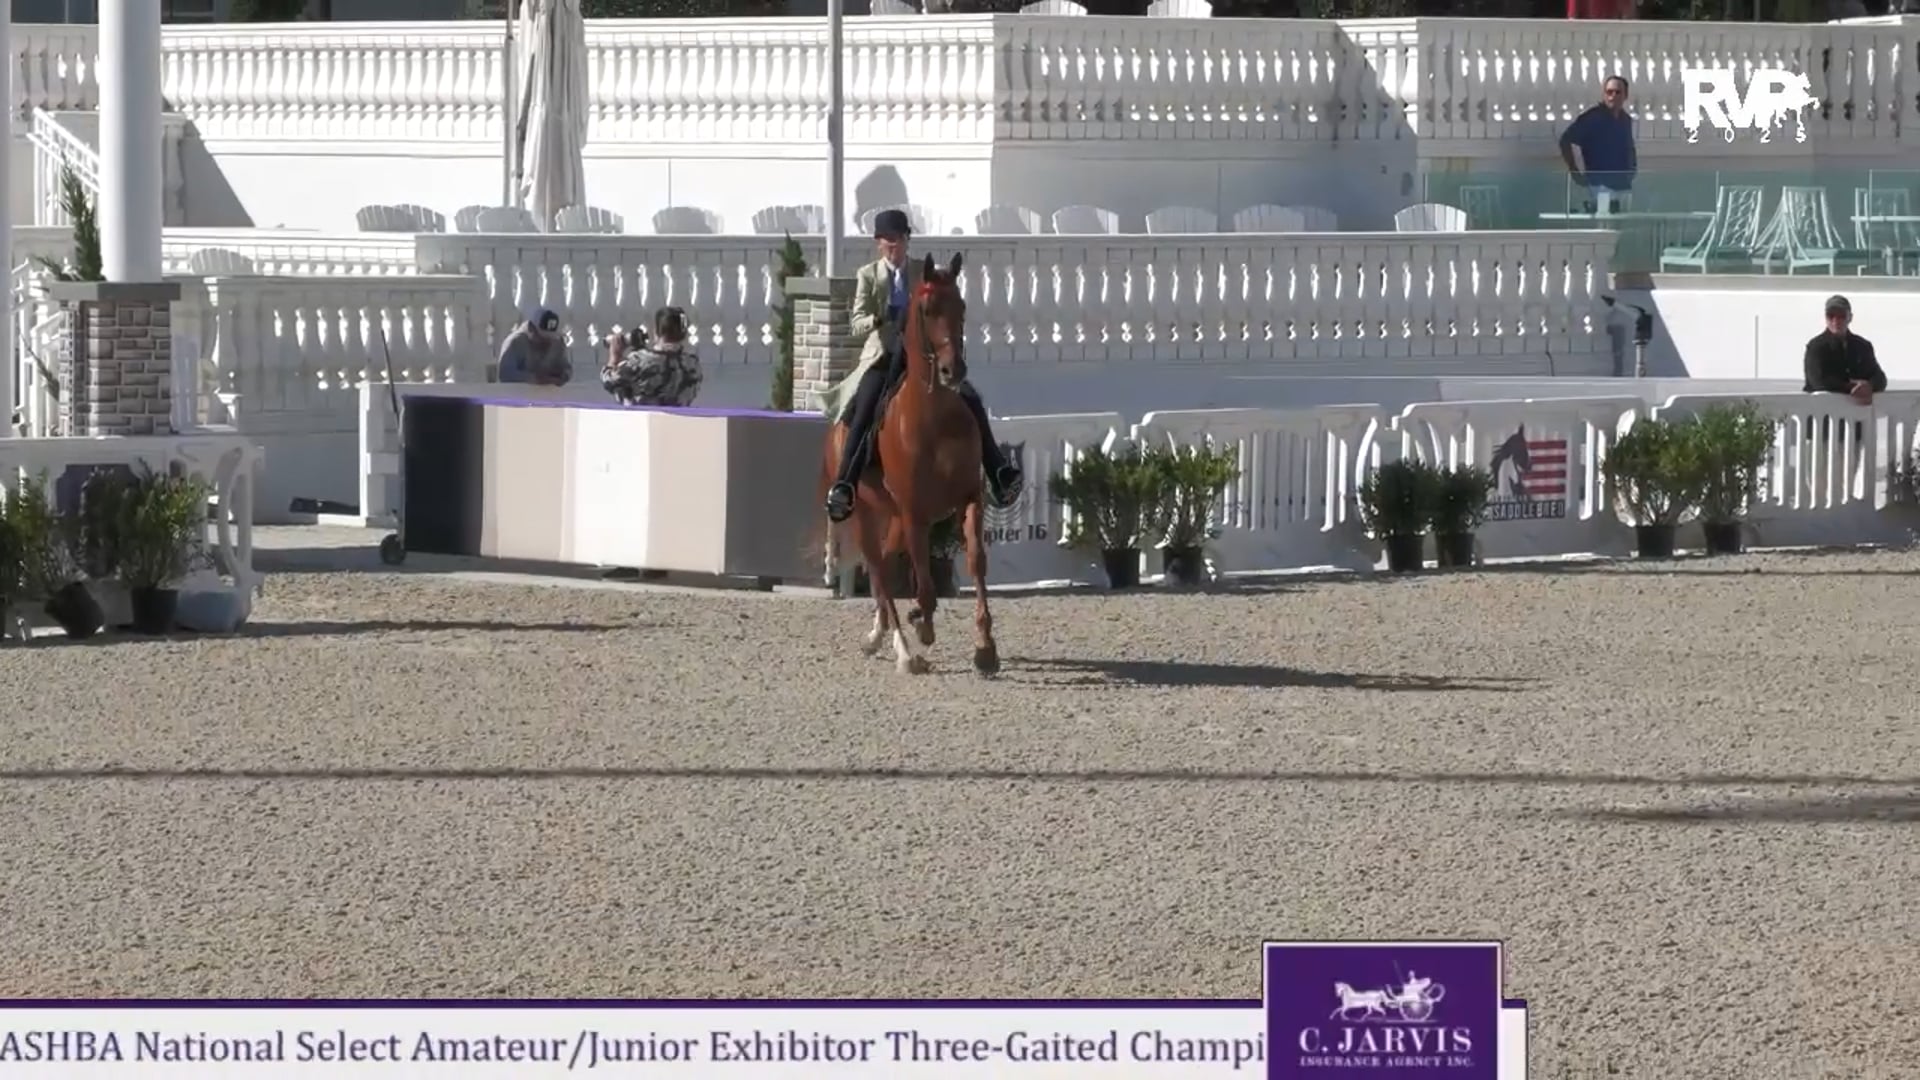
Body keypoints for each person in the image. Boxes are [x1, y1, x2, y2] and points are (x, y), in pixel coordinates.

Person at [823, 208, 1022, 523]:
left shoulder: (921, 272)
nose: (894, 246)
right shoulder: (869, 275)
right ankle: (845, 483)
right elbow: (856, 323)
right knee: (864, 410)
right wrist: (881, 317)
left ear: (907, 240)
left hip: (920, 357)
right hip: (884, 354)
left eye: (899, 239)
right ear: (878, 243)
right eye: (888, 241)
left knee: (970, 397)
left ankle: (998, 469)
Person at [1559, 76, 1636, 213]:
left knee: (1622, 228)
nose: (1613, 96)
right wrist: (1574, 170)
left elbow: (1629, 147)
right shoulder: (1592, 118)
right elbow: (1565, 140)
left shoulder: (1625, 120)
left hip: (1623, 185)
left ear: (1625, 95)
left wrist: (1632, 169)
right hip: (1600, 185)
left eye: (1618, 92)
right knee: (1604, 227)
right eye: (1609, 92)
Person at [601, 305, 703, 407]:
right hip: (678, 420)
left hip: (642, 419)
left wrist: (614, 356)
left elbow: (609, 382)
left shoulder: (639, 361)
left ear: (656, 332)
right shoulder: (693, 365)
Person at [1803, 294, 1886, 404]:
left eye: (1841, 316)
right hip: (1823, 414)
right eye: (1831, 315)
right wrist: (1852, 387)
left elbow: (1879, 378)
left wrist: (1870, 386)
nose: (1835, 320)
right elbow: (1818, 381)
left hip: (1857, 416)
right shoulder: (1816, 346)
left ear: (1850, 317)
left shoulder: (1862, 346)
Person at [497, 307, 573, 386]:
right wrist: (535, 378)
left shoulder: (557, 343)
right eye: (542, 337)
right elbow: (505, 374)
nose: (547, 342)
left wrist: (563, 376)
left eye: (550, 338)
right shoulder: (515, 342)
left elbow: (567, 368)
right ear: (531, 328)